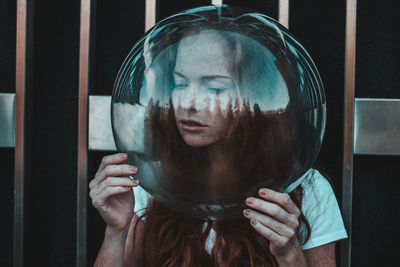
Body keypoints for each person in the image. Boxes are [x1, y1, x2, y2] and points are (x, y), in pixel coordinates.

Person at [90, 26, 347, 266]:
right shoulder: (150, 183)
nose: (189, 103)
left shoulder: (307, 190)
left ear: (256, 95)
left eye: (214, 87)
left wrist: (289, 253)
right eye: (179, 84)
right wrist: (116, 231)